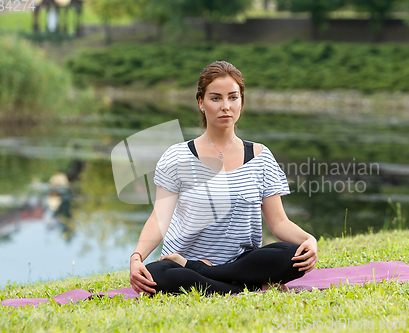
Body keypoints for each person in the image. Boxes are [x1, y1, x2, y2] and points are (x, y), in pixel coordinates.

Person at [129, 61, 318, 295]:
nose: (225, 106)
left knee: (292, 255)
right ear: (201, 102)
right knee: (157, 276)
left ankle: (214, 279)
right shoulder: (177, 156)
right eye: (216, 98)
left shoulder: (261, 157)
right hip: (179, 263)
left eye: (233, 97)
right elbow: (159, 218)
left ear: (242, 102)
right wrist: (137, 257)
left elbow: (279, 222)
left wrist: (308, 240)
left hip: (241, 263)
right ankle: (246, 288)